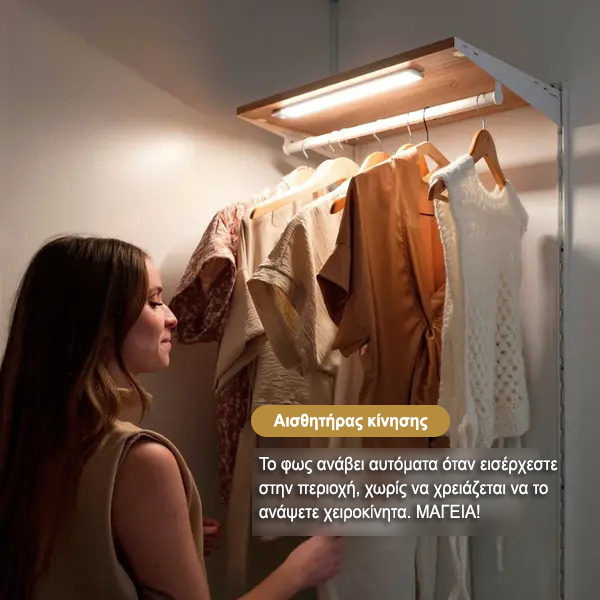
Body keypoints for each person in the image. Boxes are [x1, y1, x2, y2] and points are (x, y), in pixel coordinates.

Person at [0, 235, 342, 600]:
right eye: (153, 301)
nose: (172, 317)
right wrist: (299, 571)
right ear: (100, 323)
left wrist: (159, 540)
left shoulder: (26, 441)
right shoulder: (140, 462)